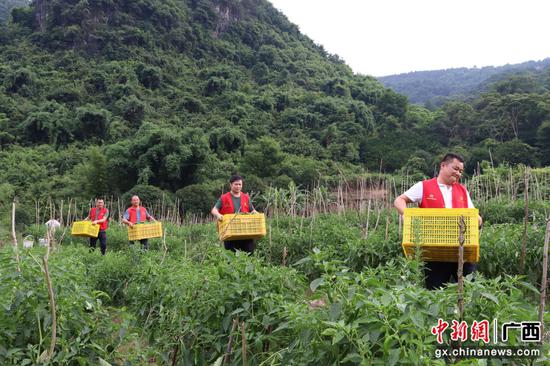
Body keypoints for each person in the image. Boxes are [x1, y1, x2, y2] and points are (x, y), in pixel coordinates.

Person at [394, 153, 483, 290]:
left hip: (461, 250)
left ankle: (464, 312)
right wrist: (407, 214)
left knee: (470, 290)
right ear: (443, 165)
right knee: (435, 292)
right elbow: (399, 200)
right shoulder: (424, 186)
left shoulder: (462, 190)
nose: (458, 173)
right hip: (434, 251)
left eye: (460, 171)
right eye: (455, 168)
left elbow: (473, 214)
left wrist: (478, 220)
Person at [211, 175, 258, 254]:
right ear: (231, 185)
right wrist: (219, 215)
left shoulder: (246, 197)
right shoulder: (224, 198)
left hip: (246, 232)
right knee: (231, 257)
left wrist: (258, 214)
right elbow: (214, 210)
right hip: (230, 233)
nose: (238, 186)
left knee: (249, 254)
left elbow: (253, 210)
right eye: (236, 184)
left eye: (240, 184)